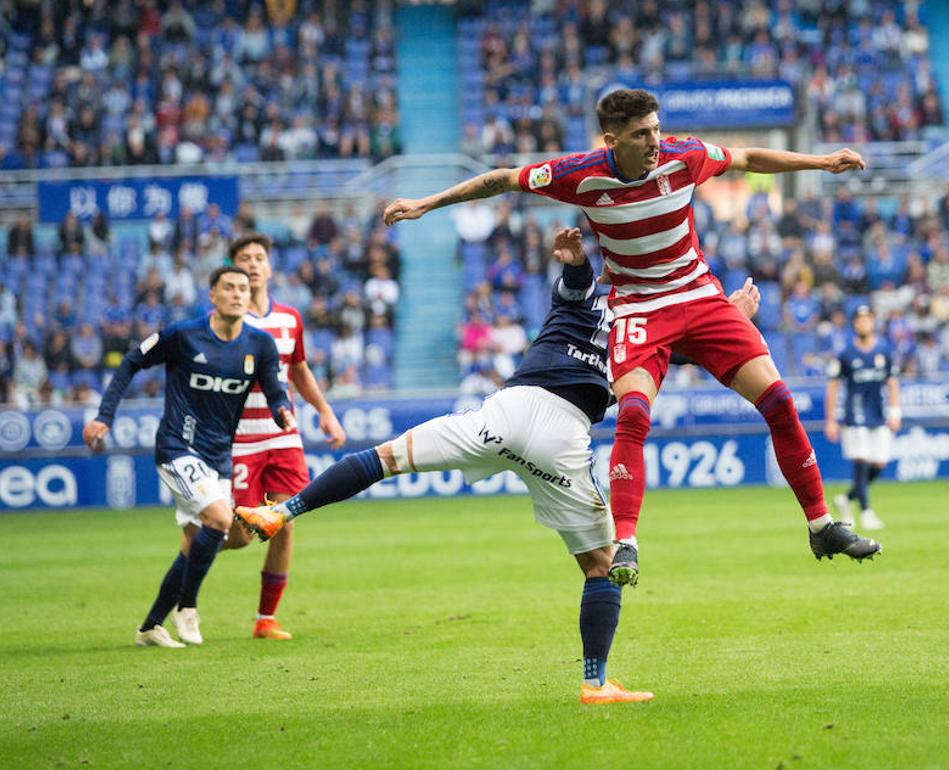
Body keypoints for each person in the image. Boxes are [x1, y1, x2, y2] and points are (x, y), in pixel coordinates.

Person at [381, 88, 880, 588]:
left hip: (700, 298)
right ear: (612, 139)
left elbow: (748, 156)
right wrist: (428, 203)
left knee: (778, 399)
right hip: (638, 308)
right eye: (642, 134)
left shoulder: (685, 157)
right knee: (635, 414)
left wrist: (822, 161)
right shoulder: (580, 173)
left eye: (657, 129)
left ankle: (821, 526)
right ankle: (627, 544)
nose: (655, 141)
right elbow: (504, 180)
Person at [236, 228, 758, 704]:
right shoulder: (631, 321)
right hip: (562, 430)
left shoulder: (607, 313)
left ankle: (283, 511)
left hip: (506, 411)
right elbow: (635, 317)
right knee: (601, 564)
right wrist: (727, 316)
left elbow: (600, 299)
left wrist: (584, 266)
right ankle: (595, 682)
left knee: (386, 457)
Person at [83, 266, 294, 647]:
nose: (237, 294)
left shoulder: (259, 344)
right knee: (218, 518)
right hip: (178, 447)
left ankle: (150, 627)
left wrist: (282, 411)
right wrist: (104, 416)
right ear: (212, 295)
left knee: (228, 538)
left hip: (219, 455)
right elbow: (132, 359)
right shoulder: (183, 334)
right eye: (228, 287)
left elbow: (275, 387)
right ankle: (189, 608)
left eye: (243, 288)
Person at [223, 234, 347, 640]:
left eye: (260, 257)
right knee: (239, 536)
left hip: (283, 436)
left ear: (270, 267)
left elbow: (299, 371)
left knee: (284, 522)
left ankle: (265, 619)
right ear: (233, 270)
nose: (254, 264)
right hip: (241, 439)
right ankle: (197, 548)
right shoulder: (227, 321)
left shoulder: (290, 319)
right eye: (246, 259)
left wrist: (325, 412)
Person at [825, 305, 901, 531]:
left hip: (878, 413)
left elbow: (892, 382)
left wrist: (895, 412)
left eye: (867, 319)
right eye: (859, 320)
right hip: (855, 415)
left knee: (879, 463)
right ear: (854, 324)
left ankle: (847, 499)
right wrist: (831, 419)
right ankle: (866, 511)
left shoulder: (884, 352)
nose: (863, 323)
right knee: (861, 460)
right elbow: (833, 386)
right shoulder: (846, 354)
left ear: (873, 322)